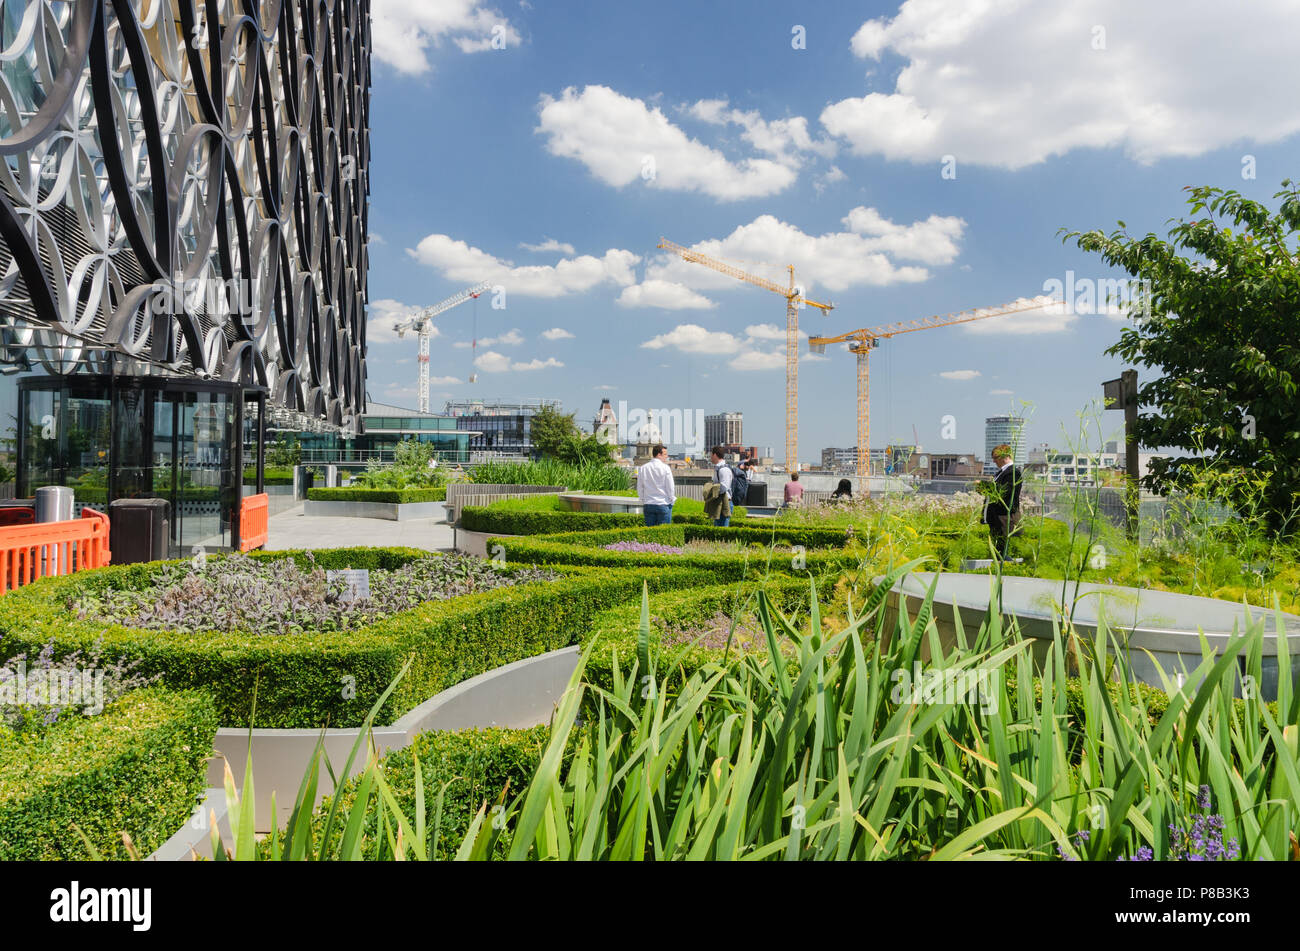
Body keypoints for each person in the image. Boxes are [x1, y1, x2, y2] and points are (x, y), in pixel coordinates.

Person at [981, 444, 1023, 558]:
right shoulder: (1001, 472)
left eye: (996, 457)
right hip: (997, 516)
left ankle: (1006, 569)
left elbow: (1003, 491)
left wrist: (983, 486)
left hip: (1004, 516)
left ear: (1005, 456)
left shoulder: (1013, 472)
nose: (994, 461)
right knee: (996, 549)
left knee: (1000, 551)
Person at [636, 443, 676, 526]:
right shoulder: (666, 468)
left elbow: (640, 486)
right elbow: (670, 487)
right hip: (663, 503)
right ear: (659, 455)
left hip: (648, 504)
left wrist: (643, 499)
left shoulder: (643, 468)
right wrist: (671, 499)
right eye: (665, 454)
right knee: (664, 532)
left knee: (650, 534)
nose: (667, 456)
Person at [709, 445, 733, 526]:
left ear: (715, 455)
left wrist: (711, 489)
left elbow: (724, 487)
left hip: (724, 503)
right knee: (718, 529)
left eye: (711, 455)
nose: (710, 457)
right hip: (720, 502)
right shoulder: (719, 468)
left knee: (722, 530)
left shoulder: (723, 469)